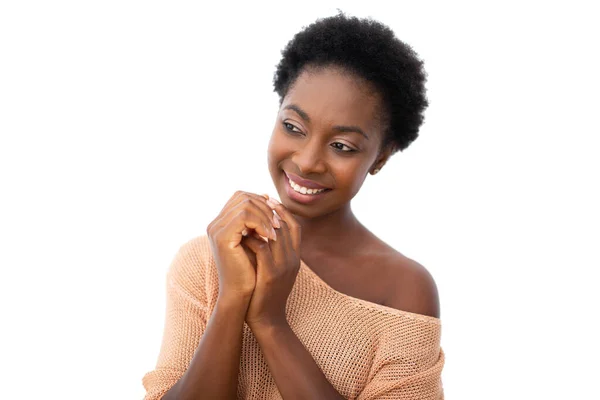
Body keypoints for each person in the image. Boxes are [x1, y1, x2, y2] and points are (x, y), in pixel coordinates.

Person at [142, 11, 444, 400]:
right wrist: (232, 299)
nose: (306, 161)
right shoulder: (204, 261)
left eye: (342, 147)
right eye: (293, 127)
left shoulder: (404, 290)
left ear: (381, 156)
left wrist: (270, 322)